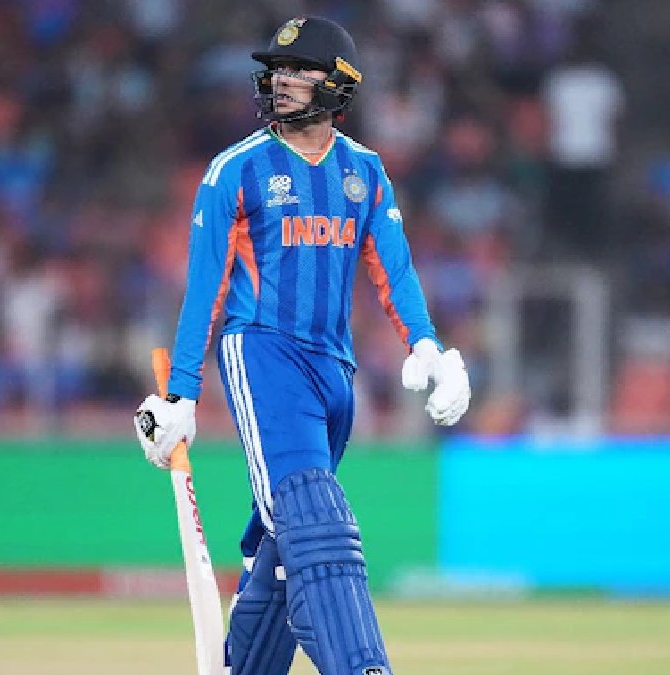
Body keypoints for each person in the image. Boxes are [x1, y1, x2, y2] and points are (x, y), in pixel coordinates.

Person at [134, 16, 471, 675]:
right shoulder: (236, 169)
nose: (281, 82)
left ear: (338, 84)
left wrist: (427, 346)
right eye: (277, 71)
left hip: (334, 371)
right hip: (262, 353)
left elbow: (394, 268)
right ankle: (362, 665)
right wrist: (181, 393)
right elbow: (205, 289)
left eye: (297, 71)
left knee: (286, 542)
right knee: (313, 516)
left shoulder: (364, 171)